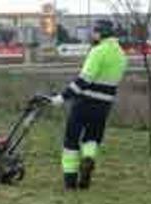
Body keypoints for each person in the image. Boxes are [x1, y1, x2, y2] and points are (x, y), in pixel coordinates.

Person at [44, 20, 128, 190]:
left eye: (94, 32)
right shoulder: (121, 54)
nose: (92, 35)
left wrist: (61, 98)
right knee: (92, 137)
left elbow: (84, 80)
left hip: (85, 102)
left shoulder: (98, 51)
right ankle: (88, 158)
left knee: (71, 140)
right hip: (104, 105)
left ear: (100, 33)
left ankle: (70, 180)